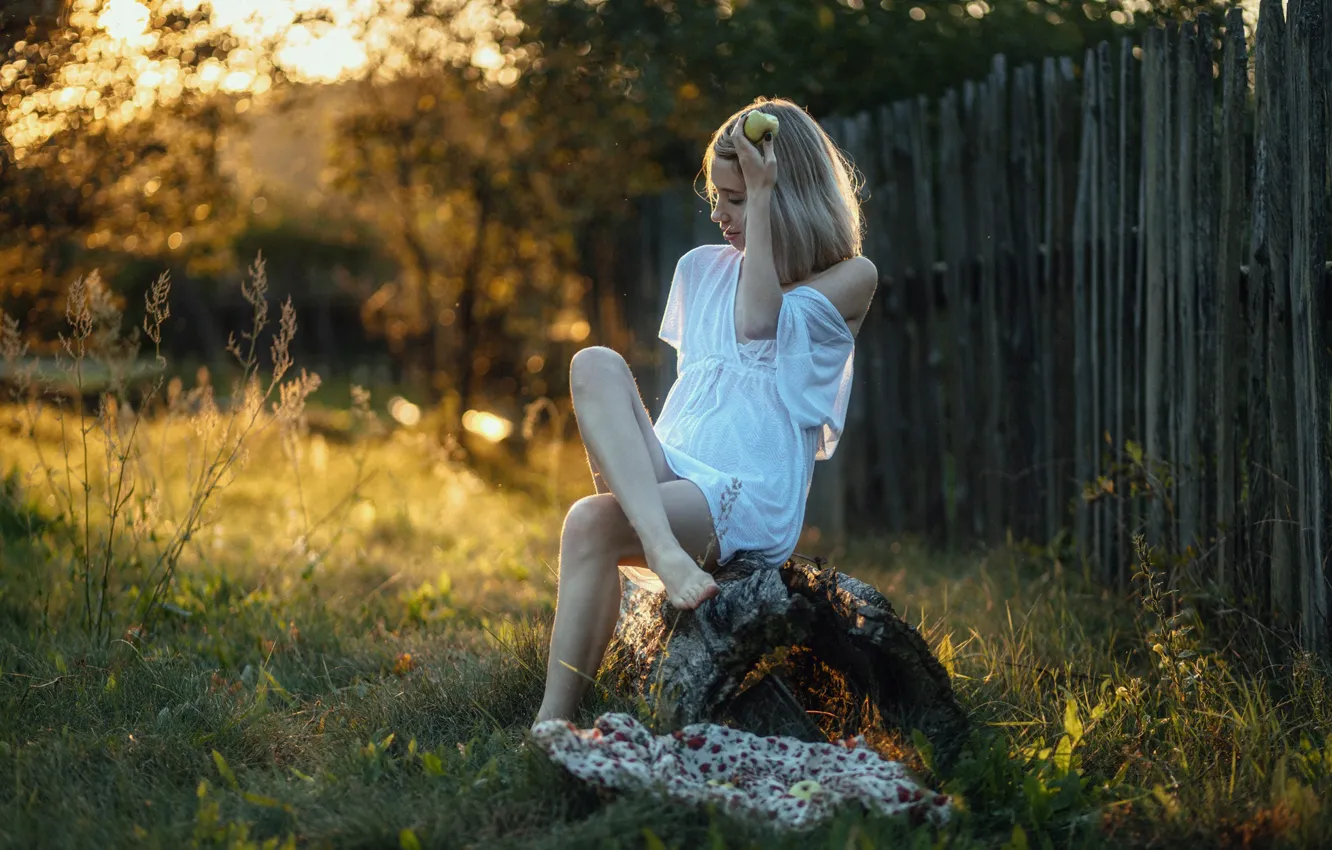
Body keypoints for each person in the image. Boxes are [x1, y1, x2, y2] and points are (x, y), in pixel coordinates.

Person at [533, 97, 878, 727]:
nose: (718, 214)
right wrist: (651, 482)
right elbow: (698, 398)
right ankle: (553, 727)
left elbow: (756, 325)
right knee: (594, 363)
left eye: (737, 199)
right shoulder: (699, 269)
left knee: (588, 524)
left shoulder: (853, 276)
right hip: (674, 473)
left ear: (784, 193)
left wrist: (765, 198)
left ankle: (552, 721)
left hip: (746, 495)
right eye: (717, 196)